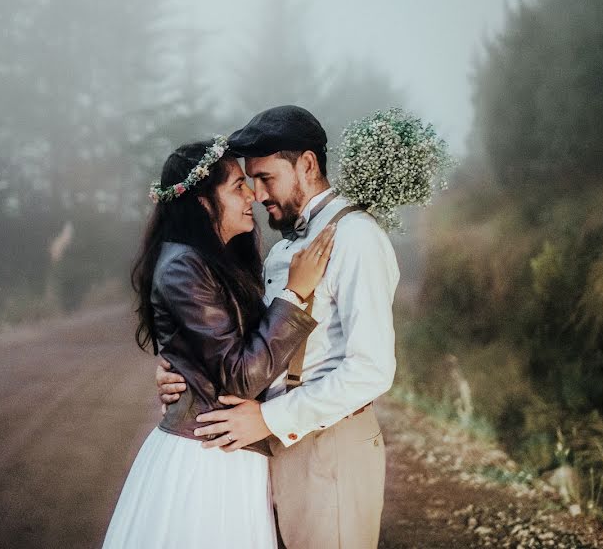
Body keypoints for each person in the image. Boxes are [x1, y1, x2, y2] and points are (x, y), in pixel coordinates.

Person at [157, 106, 400, 548]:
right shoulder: (284, 248)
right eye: (250, 181)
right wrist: (183, 370)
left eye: (267, 178)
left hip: (329, 450)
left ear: (307, 165)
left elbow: (372, 369)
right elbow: (250, 347)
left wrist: (269, 417)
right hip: (273, 449)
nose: (258, 194)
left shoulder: (355, 237)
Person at [102, 137, 337, 549]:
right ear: (202, 202)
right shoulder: (182, 268)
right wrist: (295, 295)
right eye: (237, 186)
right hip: (207, 460)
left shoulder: (217, 261)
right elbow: (241, 376)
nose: (253, 195)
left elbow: (221, 352)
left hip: (231, 449)